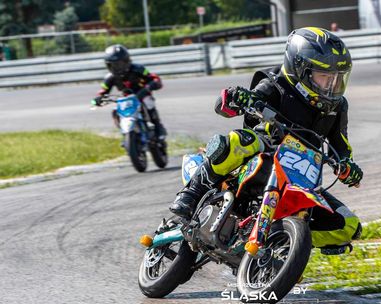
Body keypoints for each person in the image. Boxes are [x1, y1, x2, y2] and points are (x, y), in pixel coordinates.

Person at [170, 27, 363, 252]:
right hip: (265, 153)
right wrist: (238, 97)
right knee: (240, 140)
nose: (331, 87)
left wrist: (347, 166)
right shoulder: (275, 84)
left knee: (349, 225)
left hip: (301, 173)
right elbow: (227, 106)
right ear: (300, 69)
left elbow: (340, 145)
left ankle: (285, 242)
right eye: (324, 78)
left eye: (337, 80)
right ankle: (192, 193)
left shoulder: (337, 107)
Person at [91, 44, 167, 139]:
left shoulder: (138, 69)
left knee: (148, 102)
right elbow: (103, 90)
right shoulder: (110, 77)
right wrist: (97, 99)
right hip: (126, 98)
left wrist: (152, 85)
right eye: (113, 65)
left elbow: (153, 78)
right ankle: (125, 133)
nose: (117, 67)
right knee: (115, 110)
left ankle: (158, 127)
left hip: (142, 94)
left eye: (119, 64)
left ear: (126, 61)